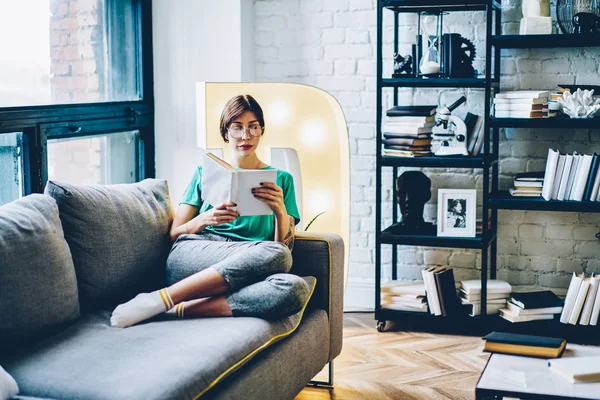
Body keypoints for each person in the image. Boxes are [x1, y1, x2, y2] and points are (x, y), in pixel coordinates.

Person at [110, 94, 309, 328]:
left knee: (293, 288)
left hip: (247, 261)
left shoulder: (281, 180)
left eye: (253, 128)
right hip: (196, 253)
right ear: (226, 133)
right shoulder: (204, 173)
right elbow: (175, 233)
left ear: (262, 131)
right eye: (237, 128)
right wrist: (205, 219)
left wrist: (279, 211)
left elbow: (282, 252)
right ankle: (163, 297)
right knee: (277, 256)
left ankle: (178, 309)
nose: (246, 136)